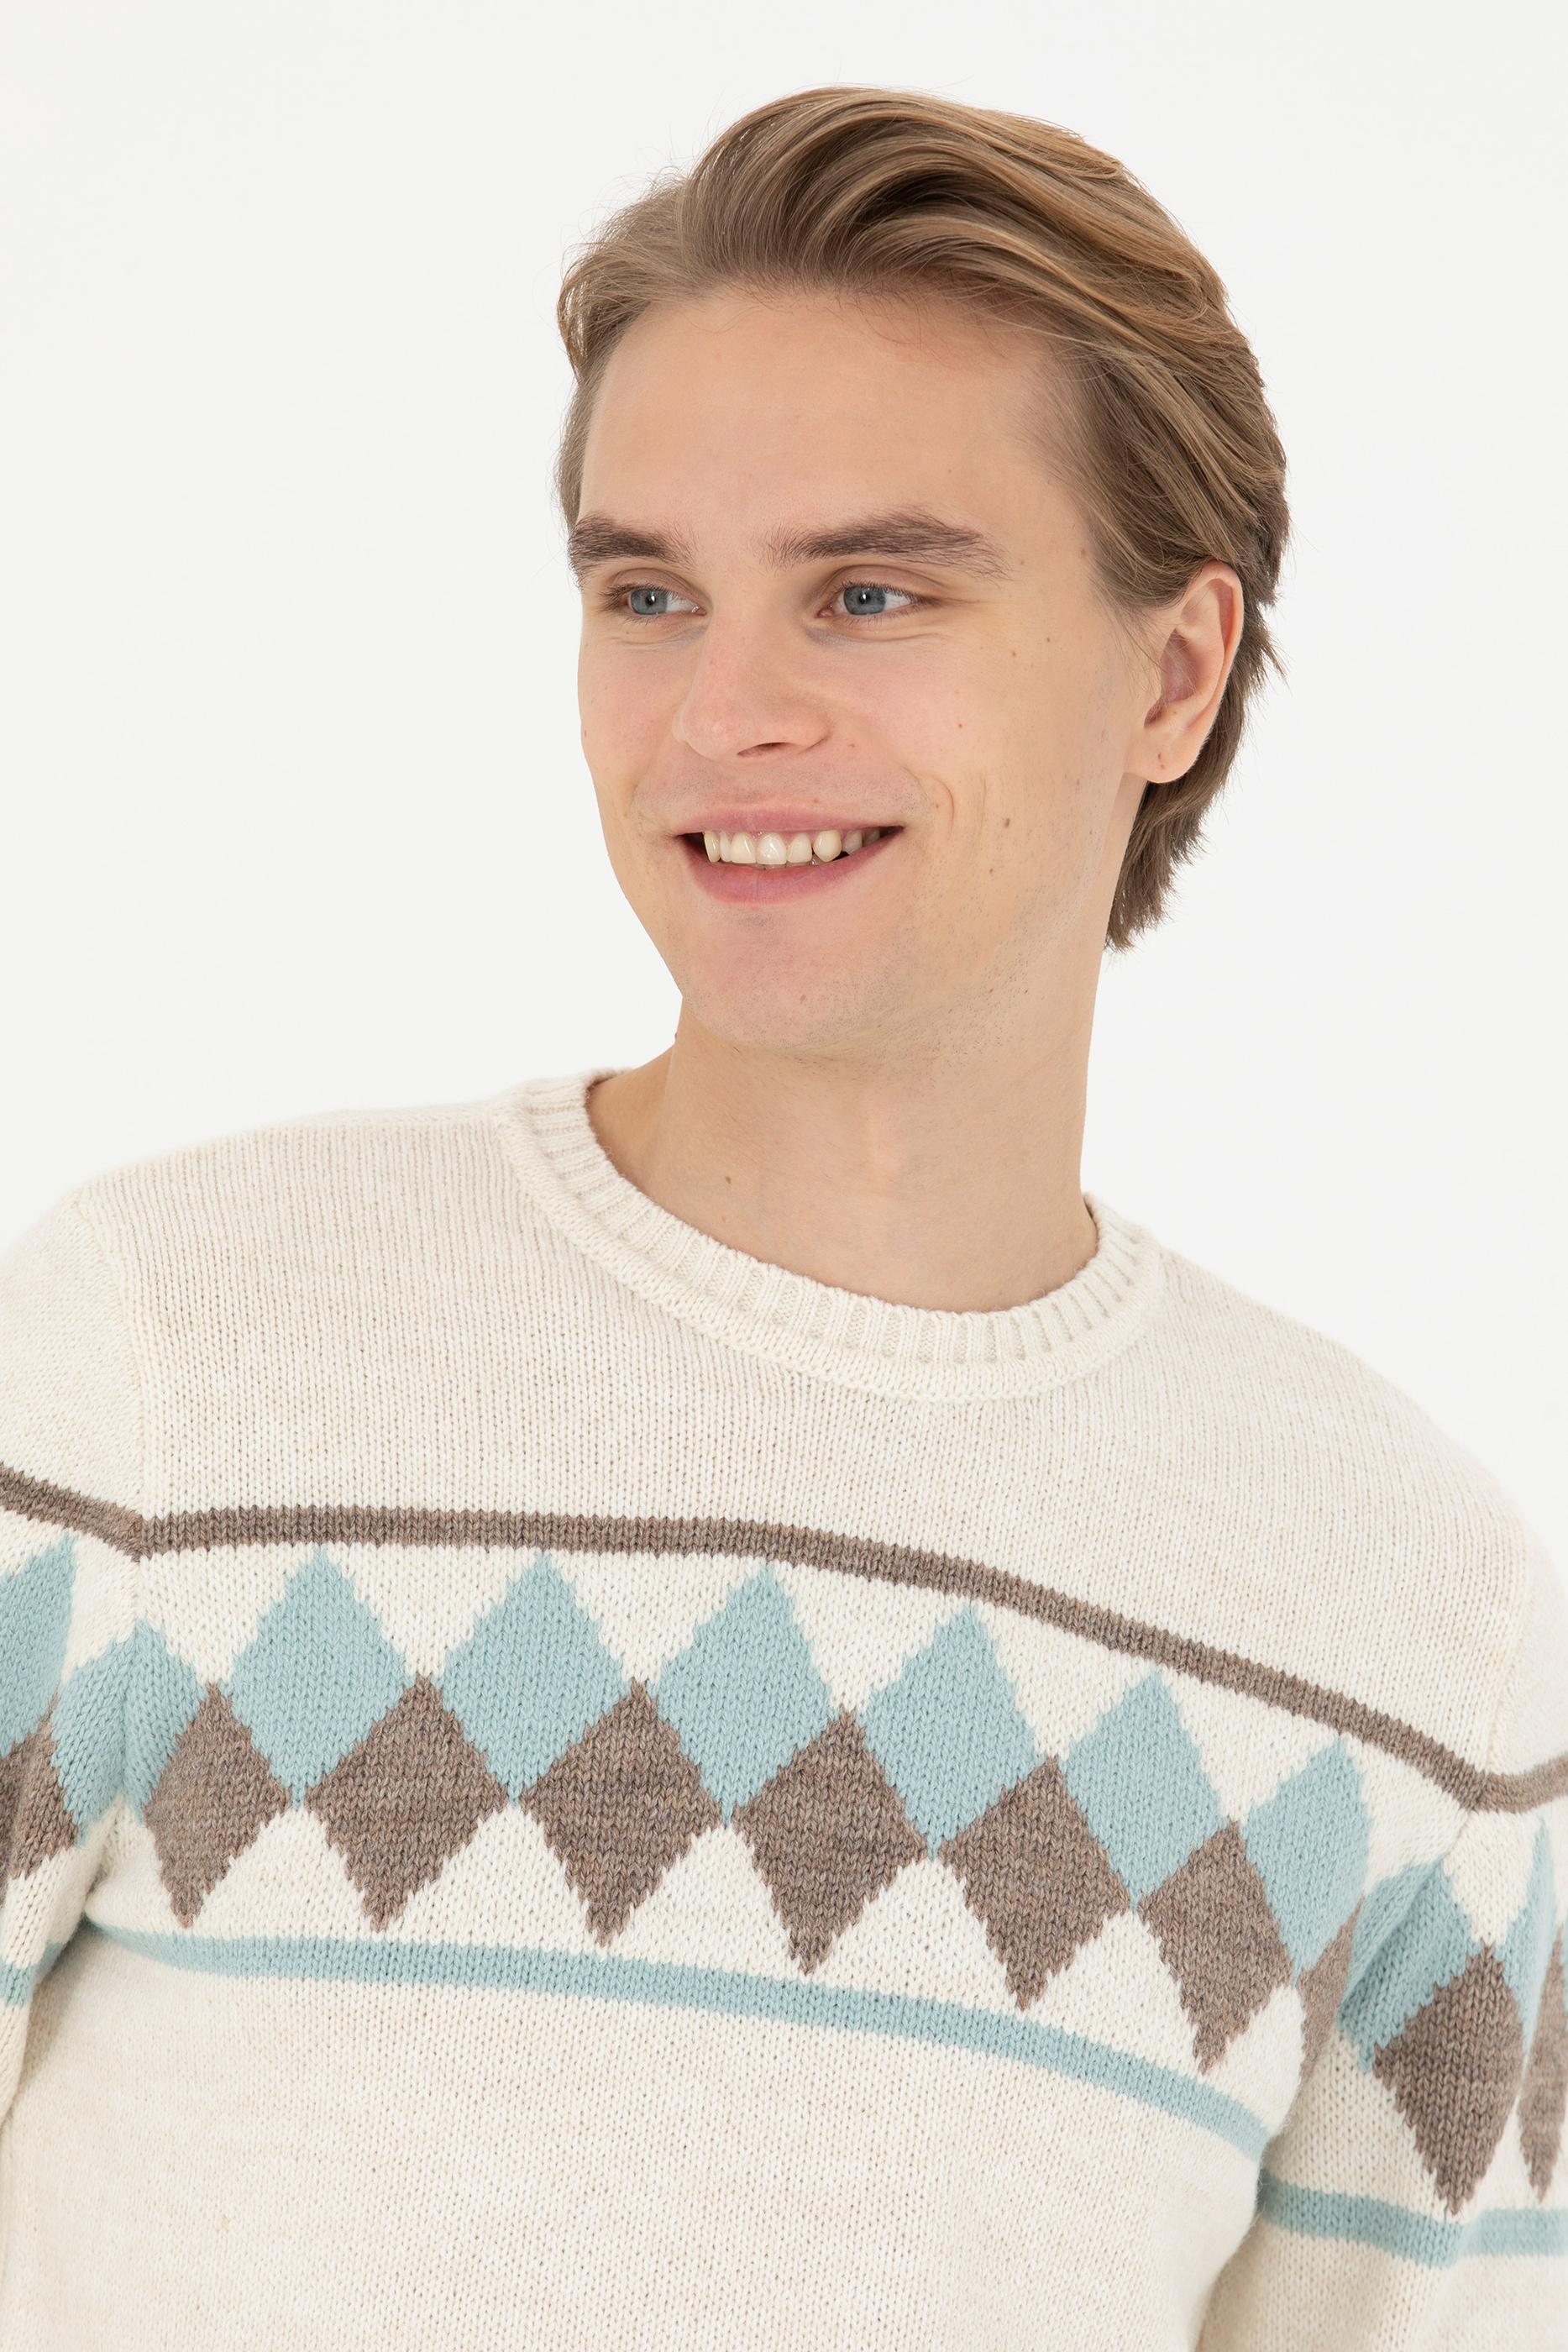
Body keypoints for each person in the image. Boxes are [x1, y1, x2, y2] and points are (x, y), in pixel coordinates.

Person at [1, 84, 1563, 2352]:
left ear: (1171, 672)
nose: (721, 713)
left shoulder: (1408, 1620)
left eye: (870, 592)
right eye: (647, 594)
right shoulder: (165, 1361)